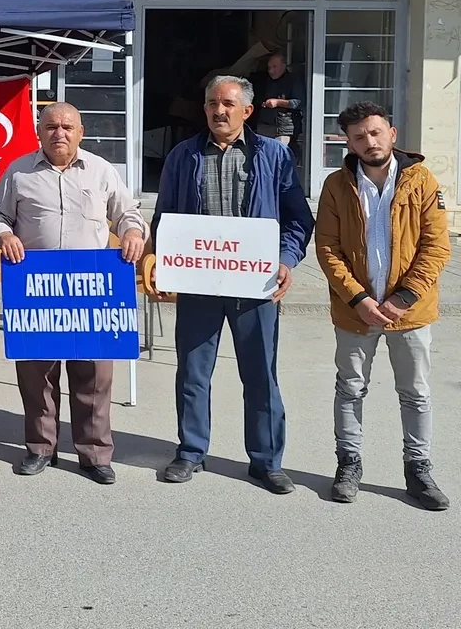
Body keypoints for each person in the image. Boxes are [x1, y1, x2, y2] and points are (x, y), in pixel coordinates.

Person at [143, 76, 314, 494]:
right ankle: (190, 451)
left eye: (228, 104)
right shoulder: (183, 155)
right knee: (193, 374)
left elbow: (298, 220)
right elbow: (165, 219)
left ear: (247, 111)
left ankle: (266, 460)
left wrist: (286, 262)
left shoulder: (272, 156)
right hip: (199, 283)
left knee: (260, 374)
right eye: (212, 103)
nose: (219, 111)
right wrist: (163, 265)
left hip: (255, 286)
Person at [0, 103, 147, 485]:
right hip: (36, 290)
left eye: (67, 127)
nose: (60, 133)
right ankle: (41, 448)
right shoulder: (19, 171)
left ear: (81, 131)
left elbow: (128, 212)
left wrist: (134, 232)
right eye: (52, 126)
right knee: (37, 374)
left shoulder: (101, 170)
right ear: (39, 131)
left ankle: (94, 454)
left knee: (94, 375)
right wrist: (4, 235)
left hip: (91, 291)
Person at [315, 102, 451, 510]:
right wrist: (358, 299)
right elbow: (327, 248)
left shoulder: (422, 181)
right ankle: (349, 464)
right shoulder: (337, 186)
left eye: (375, 132)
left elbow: (435, 247)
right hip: (355, 312)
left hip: (409, 312)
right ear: (349, 142)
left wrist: (402, 299)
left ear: (391, 133)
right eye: (359, 136)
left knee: (415, 393)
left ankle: (418, 470)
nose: (369, 141)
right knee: (350, 389)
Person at [253, 52, 302, 147]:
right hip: (263, 126)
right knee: (263, 157)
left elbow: (298, 102)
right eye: (269, 68)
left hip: (282, 128)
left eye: (274, 67)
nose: (271, 71)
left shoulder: (293, 80)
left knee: (278, 156)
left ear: (284, 65)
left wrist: (277, 102)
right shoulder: (265, 81)